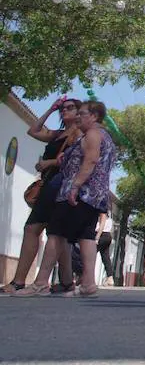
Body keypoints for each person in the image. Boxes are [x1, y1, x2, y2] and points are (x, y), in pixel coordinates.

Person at [14, 100, 116, 298]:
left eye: (82, 113)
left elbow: (91, 159)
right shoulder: (105, 137)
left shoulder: (93, 134)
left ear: (94, 116)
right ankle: (88, 284)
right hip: (95, 196)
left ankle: (41, 283)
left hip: (79, 192)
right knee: (86, 236)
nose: (78, 116)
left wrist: (75, 185)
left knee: (56, 234)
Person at [1, 97, 81, 295]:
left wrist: (49, 163)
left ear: (80, 112)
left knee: (33, 228)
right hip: (50, 185)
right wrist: (51, 109)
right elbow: (33, 131)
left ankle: (19, 281)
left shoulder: (79, 134)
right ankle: (66, 282)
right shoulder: (58, 134)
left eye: (70, 108)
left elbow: (78, 159)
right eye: (62, 108)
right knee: (56, 234)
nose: (64, 111)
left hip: (59, 185)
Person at [96, 211, 115, 286]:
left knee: (90, 256)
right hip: (108, 236)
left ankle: (84, 276)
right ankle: (110, 278)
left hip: (101, 234)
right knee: (106, 257)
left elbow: (101, 225)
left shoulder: (102, 215)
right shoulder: (110, 218)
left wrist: (97, 236)